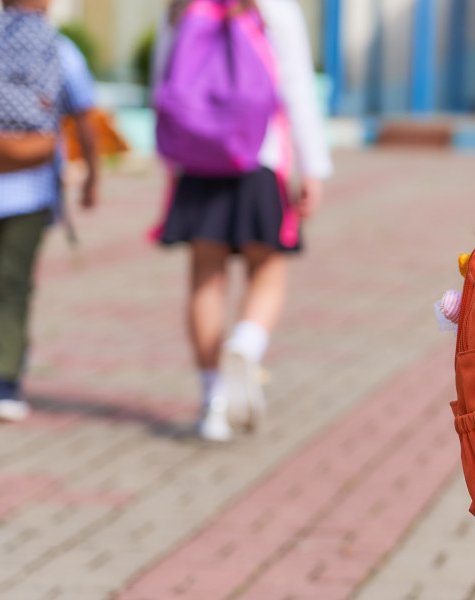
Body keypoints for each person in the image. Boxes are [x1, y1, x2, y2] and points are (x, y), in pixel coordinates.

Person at [150, 0, 332, 442]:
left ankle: (213, 401)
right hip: (259, 157)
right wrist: (314, 167)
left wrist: (171, 155)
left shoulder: (180, 7)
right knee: (268, 269)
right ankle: (246, 344)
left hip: (199, 162)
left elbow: (162, 84)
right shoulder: (274, 8)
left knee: (205, 279)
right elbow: (295, 88)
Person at [0, 0, 99, 422]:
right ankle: (3, 377)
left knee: (0, 272)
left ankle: (7, 355)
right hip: (29, 182)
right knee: (11, 278)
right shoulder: (58, 46)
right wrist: (93, 176)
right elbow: (85, 114)